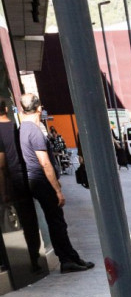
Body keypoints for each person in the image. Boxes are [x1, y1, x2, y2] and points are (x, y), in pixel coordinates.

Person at [18, 93, 94, 274]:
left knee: (55, 222)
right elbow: (45, 163)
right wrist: (58, 190)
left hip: (35, 181)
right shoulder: (34, 131)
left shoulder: (23, 129)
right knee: (57, 223)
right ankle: (67, 260)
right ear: (39, 108)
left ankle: (71, 257)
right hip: (42, 182)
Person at [0, 100, 42, 273]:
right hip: (22, 179)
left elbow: (1, 165)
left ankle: (6, 261)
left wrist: (3, 192)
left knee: (4, 221)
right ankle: (34, 258)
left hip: (8, 183)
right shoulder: (17, 129)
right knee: (29, 221)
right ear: (7, 109)